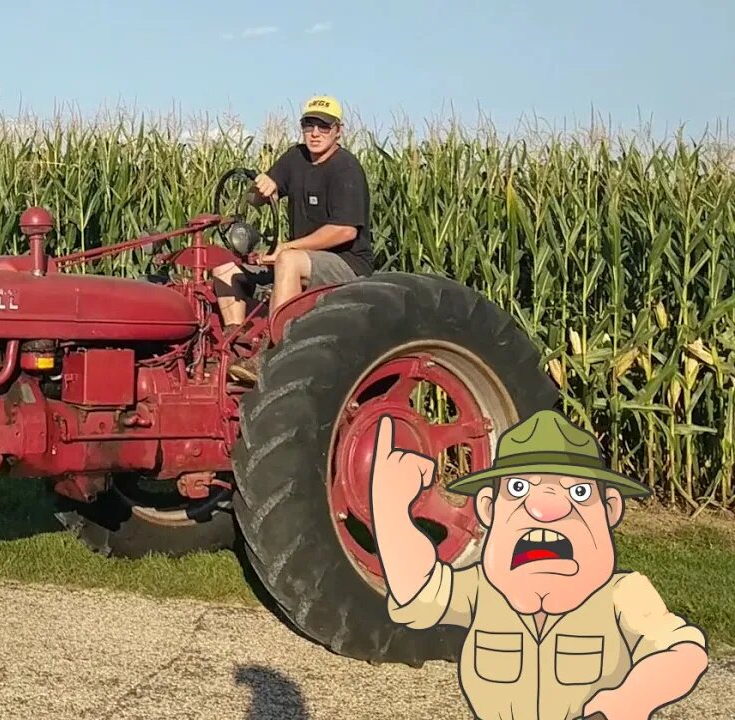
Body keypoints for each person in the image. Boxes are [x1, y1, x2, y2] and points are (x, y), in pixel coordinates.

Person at [373, 409, 709, 720]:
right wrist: (390, 512)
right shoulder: (481, 591)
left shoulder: (622, 595)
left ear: (609, 509)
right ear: (488, 508)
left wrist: (632, 697)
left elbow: (683, 650)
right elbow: (418, 588)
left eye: (578, 493)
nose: (544, 509)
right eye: (519, 489)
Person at [214, 95, 375, 382]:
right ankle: (236, 345)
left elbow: (344, 230)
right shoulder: (295, 157)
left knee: (288, 260)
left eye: (324, 127)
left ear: (339, 130)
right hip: (301, 258)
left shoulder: (345, 169)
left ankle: (272, 354)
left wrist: (286, 247)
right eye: (308, 125)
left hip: (346, 265)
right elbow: (254, 201)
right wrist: (259, 189)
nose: (315, 133)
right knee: (223, 265)